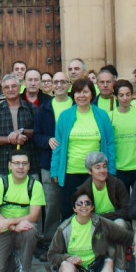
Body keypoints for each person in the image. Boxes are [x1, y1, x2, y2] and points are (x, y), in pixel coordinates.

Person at [48, 191, 130, 272]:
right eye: (79, 204)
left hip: (96, 267)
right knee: (65, 265)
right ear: (74, 208)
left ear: (92, 207)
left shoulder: (101, 223)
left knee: (108, 260)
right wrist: (68, 258)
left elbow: (123, 234)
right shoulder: (64, 229)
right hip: (76, 269)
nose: (83, 206)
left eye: (87, 203)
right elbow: (52, 255)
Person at [50, 78, 116, 210]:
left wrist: (111, 169)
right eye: (78, 92)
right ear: (73, 95)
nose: (81, 96)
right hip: (70, 172)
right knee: (69, 212)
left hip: (95, 173)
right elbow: (58, 145)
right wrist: (55, 170)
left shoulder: (102, 115)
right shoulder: (65, 116)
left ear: (92, 94)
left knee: (94, 210)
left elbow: (109, 144)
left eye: (85, 92)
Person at [0, 150, 44, 272]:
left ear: (29, 166)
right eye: (16, 163)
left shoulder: (35, 185)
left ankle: (26, 269)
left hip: (24, 229)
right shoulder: (1, 183)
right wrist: (12, 226)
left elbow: (33, 216)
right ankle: (14, 260)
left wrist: (10, 222)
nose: (20, 167)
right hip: (3, 231)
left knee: (31, 230)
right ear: (9, 166)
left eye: (24, 163)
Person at [74, 151, 130, 272]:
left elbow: (127, 210)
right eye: (97, 167)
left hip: (115, 223)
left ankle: (120, 268)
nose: (102, 170)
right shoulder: (84, 189)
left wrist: (105, 218)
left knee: (120, 224)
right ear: (89, 171)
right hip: (95, 225)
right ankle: (97, 267)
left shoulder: (117, 184)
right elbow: (82, 214)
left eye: (104, 166)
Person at [33, 70, 72, 257]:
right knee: (52, 204)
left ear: (69, 84)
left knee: (73, 202)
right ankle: (50, 242)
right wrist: (47, 140)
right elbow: (37, 135)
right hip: (50, 163)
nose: (59, 85)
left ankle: (73, 240)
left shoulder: (77, 104)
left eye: (63, 81)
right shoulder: (44, 108)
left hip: (74, 162)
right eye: (55, 82)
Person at [0, 73, 36, 177]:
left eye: (13, 86)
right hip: (4, 165)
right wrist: (10, 139)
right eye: (6, 87)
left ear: (19, 88)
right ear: (3, 90)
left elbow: (39, 132)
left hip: (29, 165)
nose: (10, 89)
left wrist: (22, 132)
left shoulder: (31, 108)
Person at [109, 79, 136, 190]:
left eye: (128, 95)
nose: (125, 98)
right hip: (119, 168)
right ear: (116, 97)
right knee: (123, 203)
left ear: (132, 95)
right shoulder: (110, 116)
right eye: (121, 95)